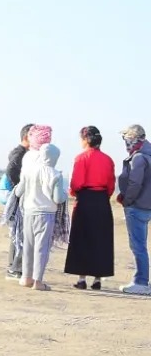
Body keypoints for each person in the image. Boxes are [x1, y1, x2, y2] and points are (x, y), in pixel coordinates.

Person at [14, 126, 66, 291]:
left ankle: (25, 277)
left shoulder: (29, 168)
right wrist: (64, 195)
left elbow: (18, 191)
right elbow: (58, 198)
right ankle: (38, 281)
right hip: (46, 214)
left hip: (28, 211)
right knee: (42, 248)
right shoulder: (55, 174)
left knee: (28, 245)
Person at [65, 126, 115, 291]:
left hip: (85, 199)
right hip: (102, 200)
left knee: (82, 238)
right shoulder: (108, 160)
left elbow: (76, 183)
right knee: (100, 239)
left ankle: (81, 278)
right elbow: (110, 185)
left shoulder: (81, 158)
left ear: (85, 139)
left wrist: (73, 192)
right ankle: (97, 279)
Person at [117, 123, 151, 296]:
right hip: (147, 206)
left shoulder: (139, 158)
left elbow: (135, 183)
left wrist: (127, 200)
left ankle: (141, 281)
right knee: (141, 245)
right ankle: (143, 280)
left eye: (126, 138)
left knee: (138, 246)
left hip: (137, 206)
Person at [4, 124, 33, 280]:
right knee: (19, 233)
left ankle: (14, 267)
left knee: (19, 233)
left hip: (21, 198)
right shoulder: (19, 153)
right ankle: (14, 268)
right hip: (19, 198)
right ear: (27, 136)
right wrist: (20, 188)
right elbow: (11, 171)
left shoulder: (24, 153)